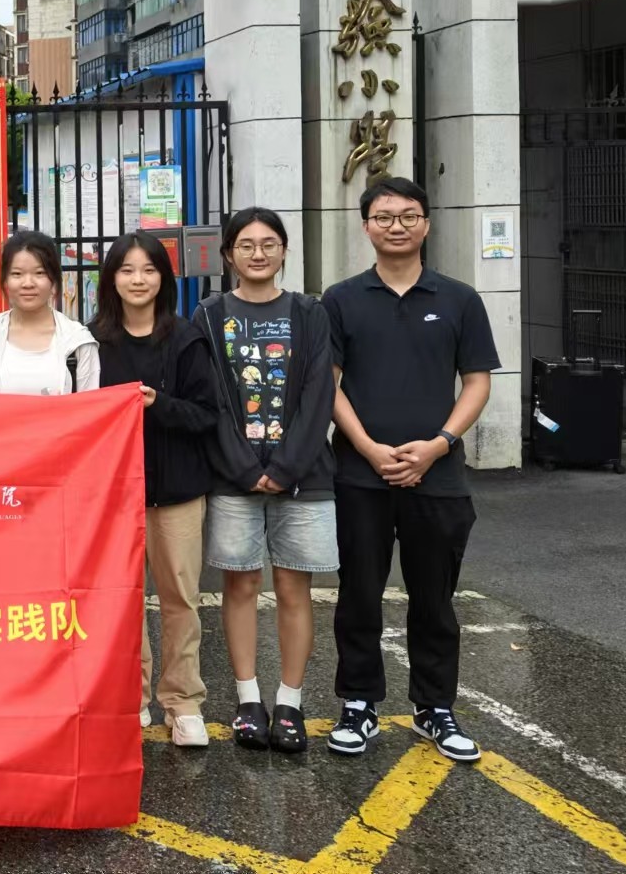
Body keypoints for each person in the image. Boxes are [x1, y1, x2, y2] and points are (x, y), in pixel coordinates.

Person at [322, 177, 498, 763]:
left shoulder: (459, 299)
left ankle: (434, 708)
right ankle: (359, 703)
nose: (396, 225)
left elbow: (477, 382)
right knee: (359, 595)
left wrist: (439, 445)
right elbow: (329, 386)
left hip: (438, 477)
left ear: (426, 223)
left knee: (435, 600)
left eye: (408, 215)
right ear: (366, 225)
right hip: (359, 476)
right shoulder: (340, 299)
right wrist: (369, 449)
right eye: (384, 216)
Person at [191, 207, 335, 754]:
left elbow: (319, 392)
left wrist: (285, 468)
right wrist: (247, 470)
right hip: (234, 479)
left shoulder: (308, 312)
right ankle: (248, 699)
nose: (258, 253)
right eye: (246, 245)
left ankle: (290, 703)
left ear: (283, 251)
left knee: (295, 589)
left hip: (305, 477)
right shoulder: (210, 315)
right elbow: (209, 398)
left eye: (269, 243)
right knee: (241, 586)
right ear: (229, 255)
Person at [91, 232, 219, 749]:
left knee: (180, 599)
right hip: (113, 495)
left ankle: (183, 700)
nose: (138, 280)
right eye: (126, 270)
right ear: (111, 279)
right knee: (123, 602)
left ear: (163, 279)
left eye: (148, 270)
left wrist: (156, 404)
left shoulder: (185, 339)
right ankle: (133, 694)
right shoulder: (92, 341)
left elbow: (207, 415)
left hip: (177, 492)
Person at [0, 230, 100, 395]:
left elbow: (90, 406)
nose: (28, 283)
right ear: (5, 280)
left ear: (54, 280)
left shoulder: (78, 341)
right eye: (17, 274)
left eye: (39, 273)